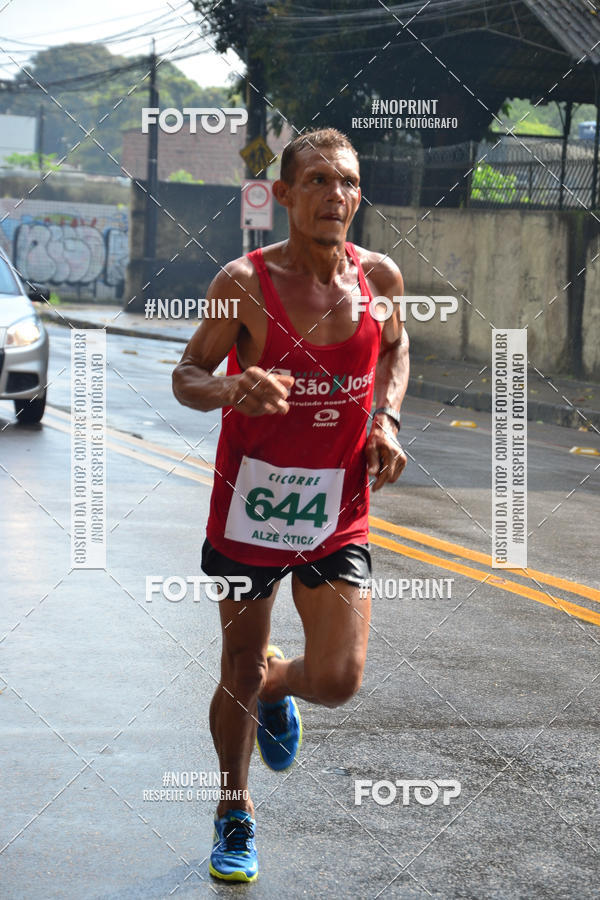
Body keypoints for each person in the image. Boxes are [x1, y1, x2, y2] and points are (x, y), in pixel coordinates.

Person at [172, 127, 409, 882]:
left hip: (339, 503)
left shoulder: (380, 280)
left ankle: (278, 686)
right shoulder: (243, 283)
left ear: (358, 196)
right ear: (284, 196)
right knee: (237, 661)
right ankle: (233, 813)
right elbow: (187, 374)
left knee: (338, 679)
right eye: (316, 181)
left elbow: (397, 349)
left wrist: (387, 417)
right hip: (252, 504)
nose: (333, 195)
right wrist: (233, 387)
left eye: (346, 183)